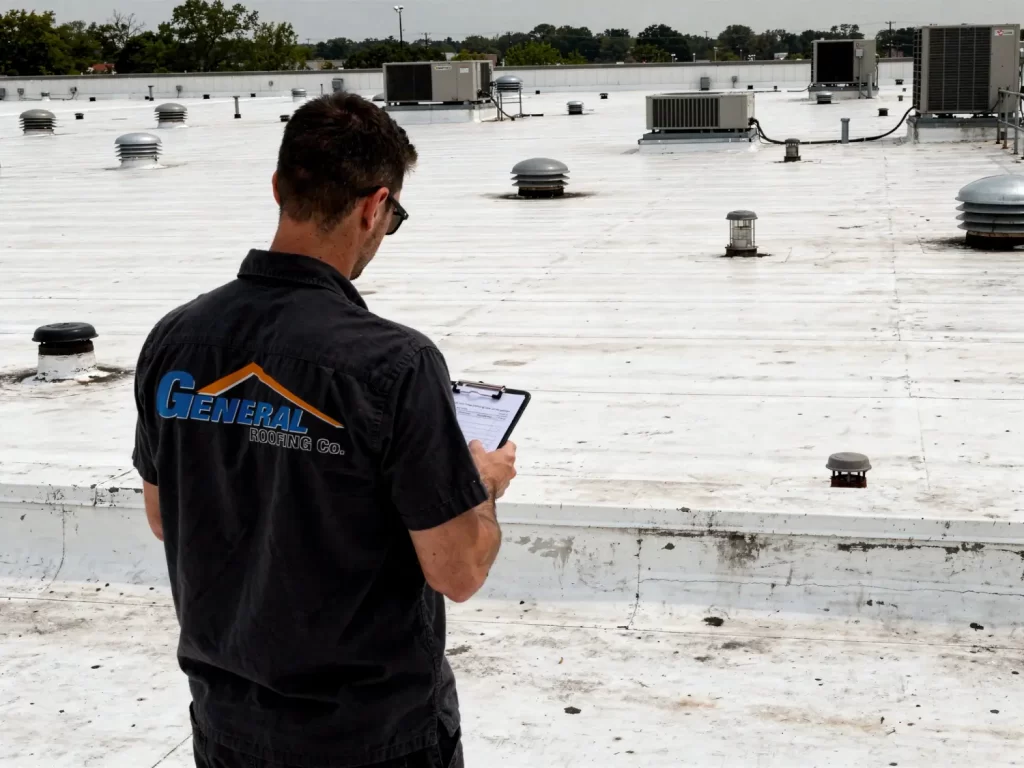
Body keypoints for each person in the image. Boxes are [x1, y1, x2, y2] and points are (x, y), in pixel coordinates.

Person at [132, 92, 518, 768]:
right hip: (371, 737)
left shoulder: (176, 340)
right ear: (374, 206)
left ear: (279, 187)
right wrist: (479, 485)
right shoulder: (396, 364)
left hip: (227, 722)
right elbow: (457, 569)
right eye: (392, 216)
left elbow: (165, 517)